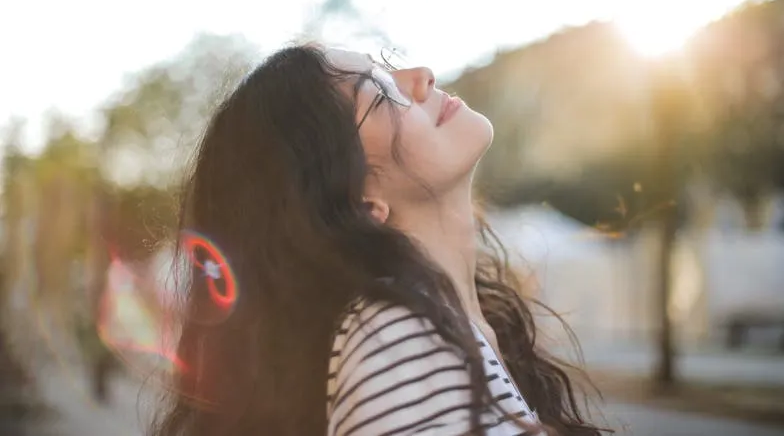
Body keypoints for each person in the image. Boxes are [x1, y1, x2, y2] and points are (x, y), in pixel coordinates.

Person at [150, 44, 606, 436]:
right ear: (359, 198)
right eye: (381, 93)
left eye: (388, 67)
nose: (421, 78)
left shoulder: (447, 329)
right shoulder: (398, 334)